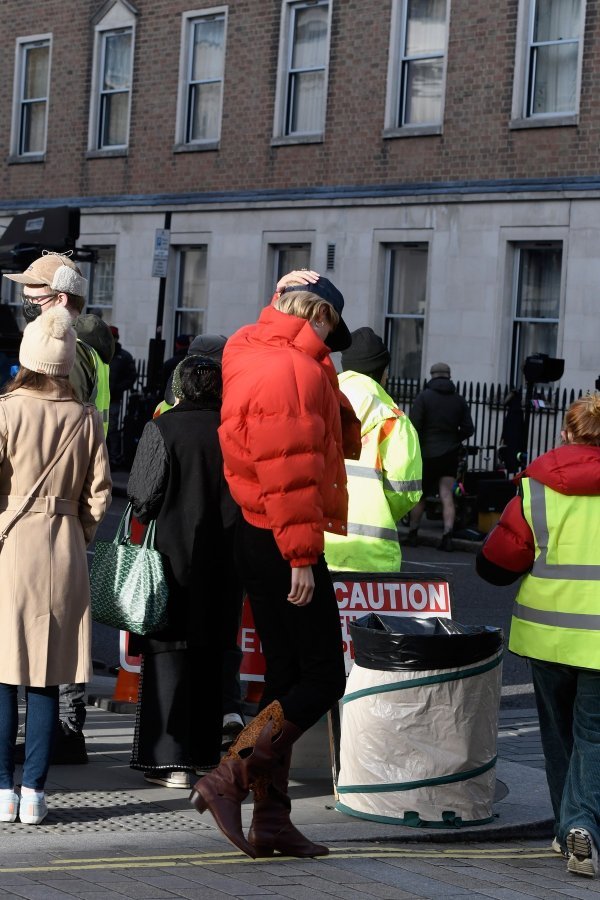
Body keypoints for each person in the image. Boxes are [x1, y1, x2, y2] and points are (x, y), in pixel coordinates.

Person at [188, 270, 361, 859]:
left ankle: (272, 820)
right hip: (282, 537)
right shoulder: (291, 368)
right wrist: (302, 556)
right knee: (324, 676)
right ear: (320, 315)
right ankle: (228, 776)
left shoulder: (250, 348)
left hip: (256, 532)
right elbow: (289, 469)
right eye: (331, 330)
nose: (330, 345)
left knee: (285, 682)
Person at [476, 393, 600, 879]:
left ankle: (566, 829)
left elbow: (500, 561)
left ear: (566, 433)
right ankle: (583, 825)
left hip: (546, 632)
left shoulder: (537, 487)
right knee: (593, 734)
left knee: (556, 732)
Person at [0, 307, 111, 825]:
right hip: (63, 548)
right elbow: (99, 495)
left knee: (5, 674)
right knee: (49, 675)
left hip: (11, 546)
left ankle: (2, 790)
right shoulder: (85, 417)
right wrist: (74, 532)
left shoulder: (6, 410)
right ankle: (34, 794)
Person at [127, 355, 241, 788]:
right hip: (225, 562)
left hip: (171, 562)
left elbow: (142, 499)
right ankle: (204, 755)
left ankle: (170, 761)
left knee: (169, 656)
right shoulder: (235, 430)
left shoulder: (163, 427)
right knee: (212, 656)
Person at [151, 332, 246, 746]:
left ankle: (175, 740)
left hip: (173, 551)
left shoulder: (164, 417)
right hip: (227, 547)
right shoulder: (237, 423)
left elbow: (143, 495)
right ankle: (224, 715)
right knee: (221, 637)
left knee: (175, 641)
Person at [324, 326, 422, 572]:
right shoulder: (393, 420)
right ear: (382, 372)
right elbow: (405, 491)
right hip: (371, 553)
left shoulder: (318, 405)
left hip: (317, 547)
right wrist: (379, 510)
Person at [406, 362, 474, 551]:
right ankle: (447, 536)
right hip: (449, 455)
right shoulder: (459, 400)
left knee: (420, 496)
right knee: (446, 494)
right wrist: (454, 439)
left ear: (432, 376)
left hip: (426, 455)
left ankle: (413, 534)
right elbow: (469, 428)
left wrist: (420, 444)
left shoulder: (423, 397)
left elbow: (414, 425)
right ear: (449, 377)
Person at [107, 326, 136, 468]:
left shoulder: (124, 357)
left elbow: (131, 377)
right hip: (99, 399)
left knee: (112, 428)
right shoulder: (100, 353)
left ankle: (113, 456)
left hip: (113, 399)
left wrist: (118, 388)